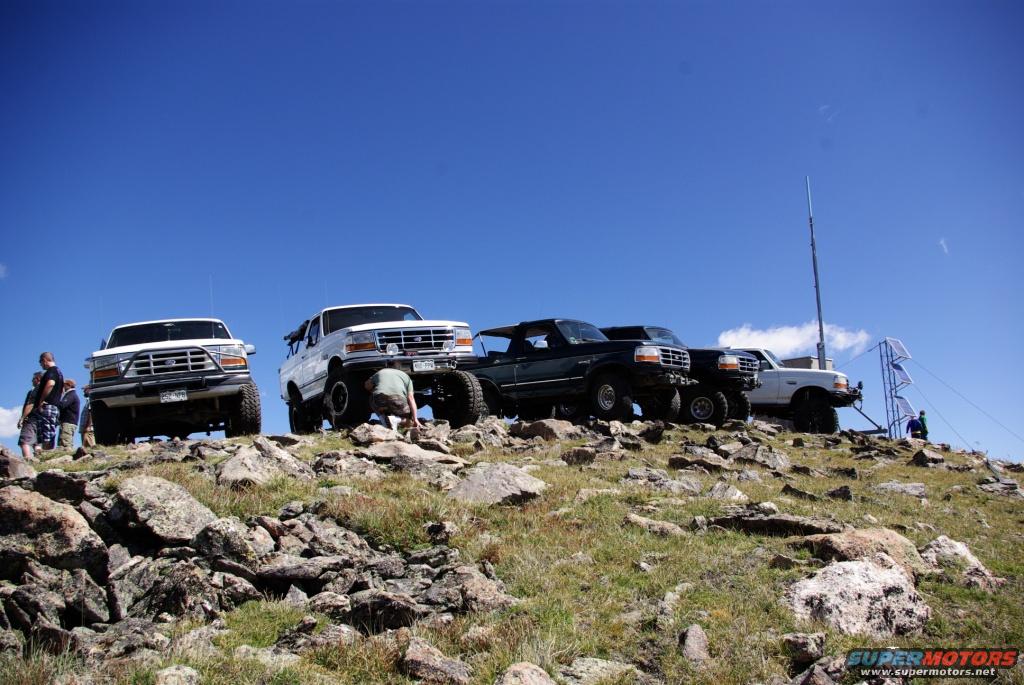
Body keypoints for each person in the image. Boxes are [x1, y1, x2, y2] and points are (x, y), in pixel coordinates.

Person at [20, 352, 64, 459]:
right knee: (46, 435)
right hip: (53, 406)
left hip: (48, 406)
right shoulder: (59, 372)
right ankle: (46, 458)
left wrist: (40, 401)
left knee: (46, 436)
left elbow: (50, 384)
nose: (41, 365)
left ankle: (48, 459)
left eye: (40, 362)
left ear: (44, 360)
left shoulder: (52, 371)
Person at [364, 361, 421, 430]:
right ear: (399, 367)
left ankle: (383, 420)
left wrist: (372, 390)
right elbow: (411, 398)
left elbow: (367, 385)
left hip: (380, 399)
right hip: (398, 401)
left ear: (387, 366)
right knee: (409, 421)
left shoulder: (380, 372)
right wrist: (415, 419)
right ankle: (397, 419)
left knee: (372, 397)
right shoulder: (406, 376)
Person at [16, 372, 43, 459]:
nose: (32, 381)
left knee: (24, 441)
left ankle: (28, 461)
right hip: (41, 418)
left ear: (38, 379)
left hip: (31, 417)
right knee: (37, 443)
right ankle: (39, 461)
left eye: (33, 379)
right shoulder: (44, 389)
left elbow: (31, 404)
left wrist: (22, 418)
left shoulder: (35, 390)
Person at [58, 379, 81, 449]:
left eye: (63, 385)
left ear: (68, 385)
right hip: (69, 422)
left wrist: (57, 398)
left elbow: (62, 405)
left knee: (65, 444)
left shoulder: (71, 395)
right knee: (65, 443)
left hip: (68, 422)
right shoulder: (71, 395)